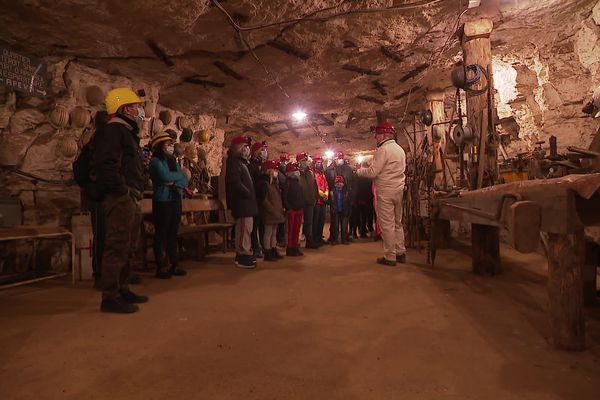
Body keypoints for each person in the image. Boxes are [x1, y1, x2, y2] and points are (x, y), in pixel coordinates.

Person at [93, 87, 148, 313]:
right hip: (121, 197)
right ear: (124, 108)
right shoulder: (113, 130)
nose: (138, 110)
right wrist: (122, 191)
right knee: (117, 245)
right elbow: (106, 164)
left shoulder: (125, 131)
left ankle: (122, 288)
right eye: (135, 106)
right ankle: (110, 296)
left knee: (129, 245)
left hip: (130, 195)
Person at [357, 121, 406, 266]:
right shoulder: (399, 149)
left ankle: (390, 256)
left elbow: (373, 172)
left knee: (387, 225)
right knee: (397, 223)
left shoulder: (383, 150)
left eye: (377, 135)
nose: (376, 138)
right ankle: (400, 252)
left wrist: (359, 171)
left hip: (385, 191)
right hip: (398, 190)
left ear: (384, 135)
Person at [149, 131, 189, 279]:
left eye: (171, 144)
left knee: (173, 233)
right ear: (160, 146)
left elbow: (184, 179)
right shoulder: (155, 161)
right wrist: (175, 177)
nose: (171, 147)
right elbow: (164, 176)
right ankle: (160, 266)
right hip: (162, 202)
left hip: (174, 199)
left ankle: (174, 264)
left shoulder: (172, 161)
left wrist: (174, 180)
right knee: (161, 233)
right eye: (168, 144)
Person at [225, 136, 258, 269]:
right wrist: (247, 192)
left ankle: (245, 251)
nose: (247, 149)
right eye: (244, 146)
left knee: (247, 229)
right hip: (242, 203)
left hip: (247, 203)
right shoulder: (234, 163)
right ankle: (242, 254)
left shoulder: (241, 163)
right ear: (238, 148)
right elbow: (235, 182)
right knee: (243, 229)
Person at [256, 160, 285, 261]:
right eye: (274, 169)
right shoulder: (264, 183)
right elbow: (264, 200)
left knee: (274, 233)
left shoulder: (273, 183)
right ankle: (267, 251)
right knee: (268, 233)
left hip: (275, 213)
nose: (275, 171)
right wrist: (273, 211)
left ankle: (273, 249)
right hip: (269, 213)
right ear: (268, 171)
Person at [325, 151, 354, 244]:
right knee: (335, 219)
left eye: (341, 158)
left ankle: (344, 238)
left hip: (345, 196)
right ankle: (334, 238)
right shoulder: (329, 170)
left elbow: (352, 184)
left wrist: (351, 196)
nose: (339, 160)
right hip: (334, 197)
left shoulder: (349, 170)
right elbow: (327, 185)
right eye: (338, 158)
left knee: (345, 219)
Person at [248, 141, 268, 258]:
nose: (263, 152)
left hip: (262, 197)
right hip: (255, 197)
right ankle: (255, 247)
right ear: (255, 151)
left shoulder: (261, 163)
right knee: (255, 224)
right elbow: (253, 181)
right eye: (261, 150)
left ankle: (264, 246)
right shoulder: (251, 165)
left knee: (262, 223)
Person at [297, 152, 319, 249]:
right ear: (298, 162)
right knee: (298, 223)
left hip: (310, 201)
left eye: (306, 160)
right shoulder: (296, 173)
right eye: (303, 161)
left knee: (309, 222)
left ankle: (309, 241)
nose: (305, 162)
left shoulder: (310, 173)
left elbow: (314, 186)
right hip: (301, 202)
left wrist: (315, 197)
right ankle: (295, 241)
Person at [282, 162, 304, 257]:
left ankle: (295, 246)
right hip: (292, 210)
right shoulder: (287, 183)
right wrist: (288, 208)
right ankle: (290, 248)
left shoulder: (297, 182)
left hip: (299, 209)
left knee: (296, 229)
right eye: (295, 170)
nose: (297, 172)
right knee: (290, 230)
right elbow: (284, 197)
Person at [312, 154, 329, 247]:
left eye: (321, 162)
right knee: (316, 220)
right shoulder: (313, 174)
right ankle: (314, 238)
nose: (320, 164)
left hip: (323, 201)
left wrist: (326, 194)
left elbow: (326, 185)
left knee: (321, 220)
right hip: (317, 201)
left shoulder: (322, 174)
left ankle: (319, 237)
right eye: (318, 162)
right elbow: (315, 187)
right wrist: (322, 195)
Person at [331, 175, 350, 245]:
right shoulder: (333, 191)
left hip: (344, 210)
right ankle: (335, 239)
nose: (339, 184)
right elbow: (331, 201)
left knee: (344, 226)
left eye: (340, 182)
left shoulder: (346, 191)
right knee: (335, 226)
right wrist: (333, 208)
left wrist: (347, 210)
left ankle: (344, 239)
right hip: (336, 210)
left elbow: (348, 201)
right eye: (337, 183)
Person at [276, 153, 289, 247]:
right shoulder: (279, 174)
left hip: (286, 199)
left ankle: (283, 238)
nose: (285, 163)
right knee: (280, 222)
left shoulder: (285, 173)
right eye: (284, 161)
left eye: (286, 161)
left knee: (284, 222)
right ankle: (280, 239)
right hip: (280, 199)